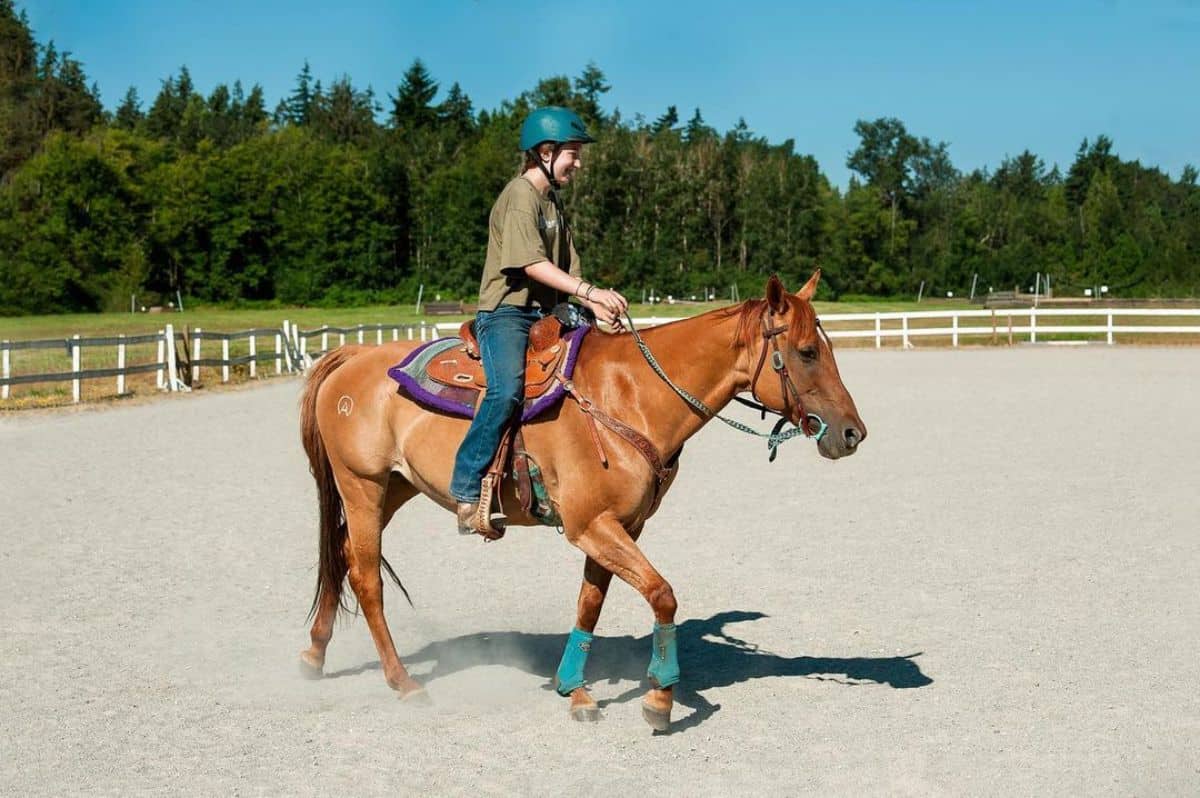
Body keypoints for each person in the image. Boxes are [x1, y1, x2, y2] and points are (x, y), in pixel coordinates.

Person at [449, 106, 628, 537]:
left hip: (545, 313)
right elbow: (531, 263)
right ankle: (467, 484)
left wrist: (598, 306)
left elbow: (569, 271)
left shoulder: (552, 203)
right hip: (507, 313)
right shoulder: (520, 196)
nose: (579, 163)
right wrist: (589, 293)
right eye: (573, 153)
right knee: (507, 389)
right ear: (546, 151)